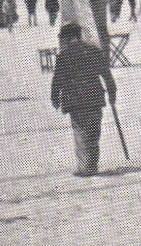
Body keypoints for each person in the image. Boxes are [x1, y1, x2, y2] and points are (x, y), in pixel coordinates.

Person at [48, 23, 117, 176]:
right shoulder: (94, 51)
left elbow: (57, 80)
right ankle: (92, 165)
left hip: (75, 100)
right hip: (94, 98)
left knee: (80, 132)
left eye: (62, 39)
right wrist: (112, 93)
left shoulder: (63, 56)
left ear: (68, 38)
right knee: (93, 133)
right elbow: (107, 76)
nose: (61, 42)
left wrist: (55, 97)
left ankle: (84, 167)